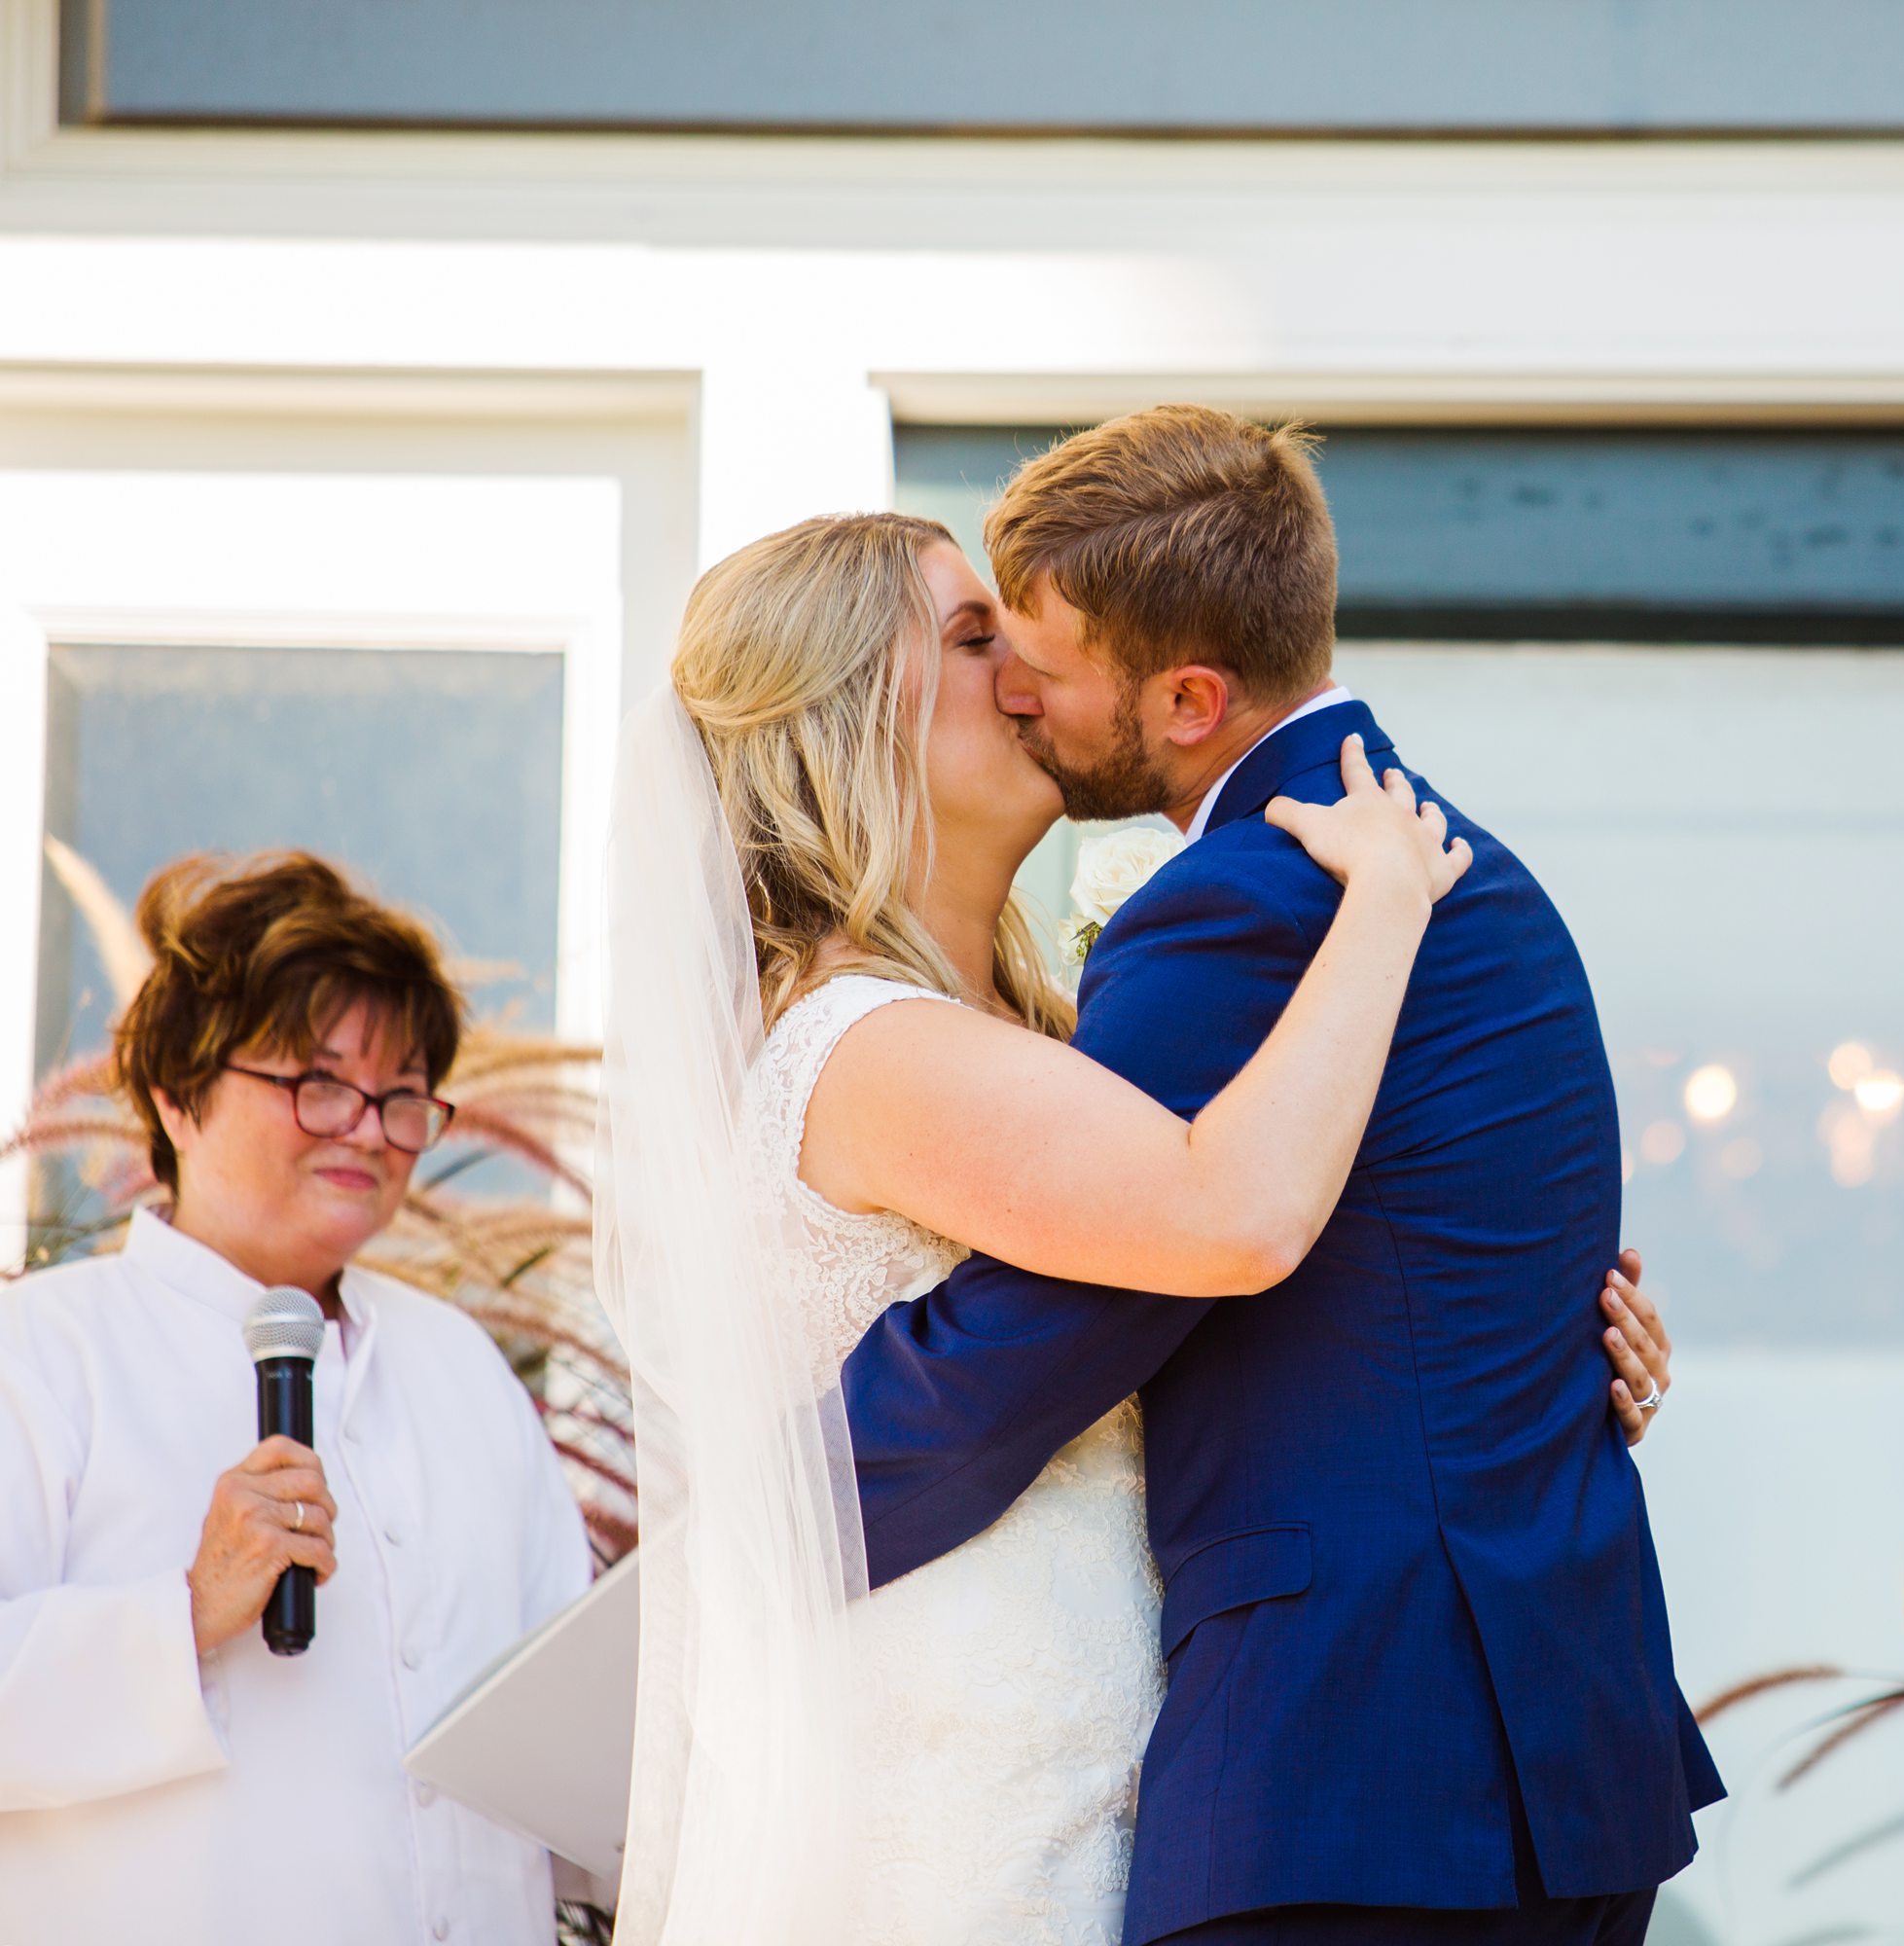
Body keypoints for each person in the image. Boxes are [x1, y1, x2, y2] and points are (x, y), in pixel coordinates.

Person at [599, 502, 1676, 1945]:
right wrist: (1384, 907)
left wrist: (1528, 1345)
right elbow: (1226, 1216)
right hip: (974, 1746)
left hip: (1126, 1721)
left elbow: (1234, 1305)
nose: (1028, 674)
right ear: (850, 710)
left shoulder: (1039, 1033)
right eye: (977, 635)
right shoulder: (867, 1041)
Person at [0, 851, 593, 1946]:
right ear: (177, 1093)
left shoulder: (460, 1362)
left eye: (402, 1093)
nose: (367, 1126)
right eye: (317, 1081)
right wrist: (185, 1608)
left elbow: (562, 1708)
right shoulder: (40, 1351)